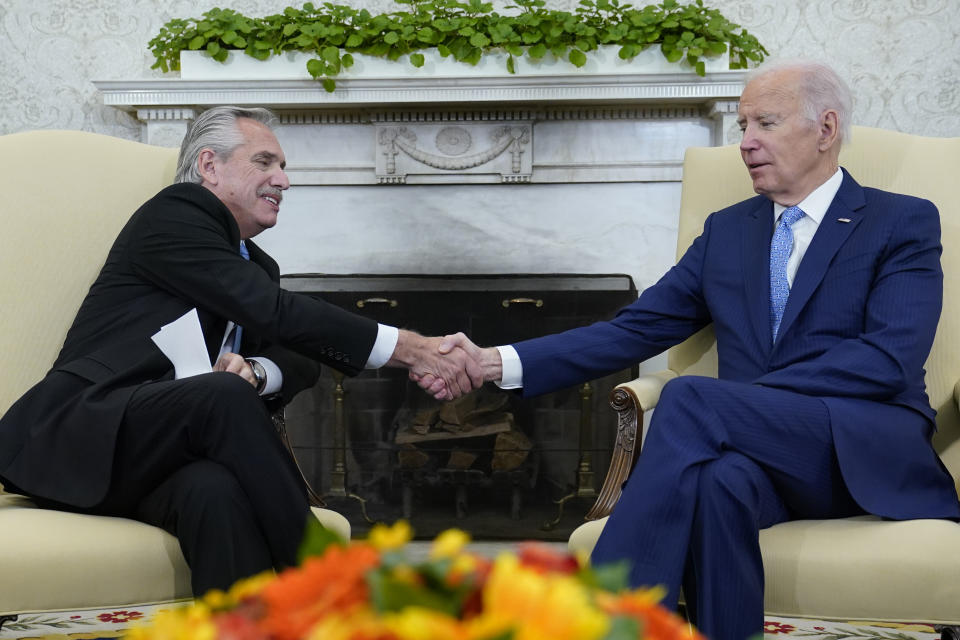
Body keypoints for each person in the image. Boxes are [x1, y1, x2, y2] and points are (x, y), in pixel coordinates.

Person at [420, 60, 960, 640]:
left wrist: (737, 402)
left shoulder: (899, 220)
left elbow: (887, 359)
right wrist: (492, 361)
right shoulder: (728, 231)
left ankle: (596, 623)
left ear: (826, 129)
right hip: (752, 454)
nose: (746, 143)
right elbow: (633, 329)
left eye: (766, 124)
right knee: (716, 482)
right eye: (742, 124)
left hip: (857, 447)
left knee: (691, 400)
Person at [0, 106, 480, 596]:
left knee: (215, 491)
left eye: (283, 166)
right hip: (82, 433)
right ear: (210, 166)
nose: (284, 180)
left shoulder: (256, 265)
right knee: (222, 396)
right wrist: (409, 348)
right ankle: (333, 591)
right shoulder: (174, 214)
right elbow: (273, 312)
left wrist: (257, 368)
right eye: (265, 162)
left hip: (151, 460)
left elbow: (298, 355)